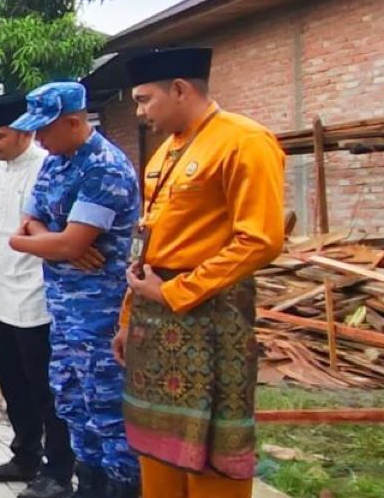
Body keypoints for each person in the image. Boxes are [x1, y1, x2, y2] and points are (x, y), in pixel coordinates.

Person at [116, 48, 285, 498]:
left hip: (208, 315)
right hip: (155, 313)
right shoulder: (165, 153)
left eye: (144, 99)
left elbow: (260, 239)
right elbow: (148, 240)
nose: (139, 111)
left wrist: (176, 291)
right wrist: (129, 317)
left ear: (179, 89)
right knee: (158, 440)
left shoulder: (244, 141)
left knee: (211, 442)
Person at [8, 82, 141, 498]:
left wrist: (58, 245)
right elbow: (26, 224)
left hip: (102, 318)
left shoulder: (105, 167)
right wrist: (58, 243)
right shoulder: (56, 163)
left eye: (44, 130)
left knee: (108, 412)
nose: (38, 139)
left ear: (73, 121)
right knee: (72, 404)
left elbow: (63, 243)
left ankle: (121, 488)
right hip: (65, 315)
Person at [0, 95, 75, 498]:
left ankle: (58, 470)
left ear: (25, 131)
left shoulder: (47, 169)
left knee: (44, 389)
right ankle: (25, 454)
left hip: (35, 298)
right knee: (12, 385)